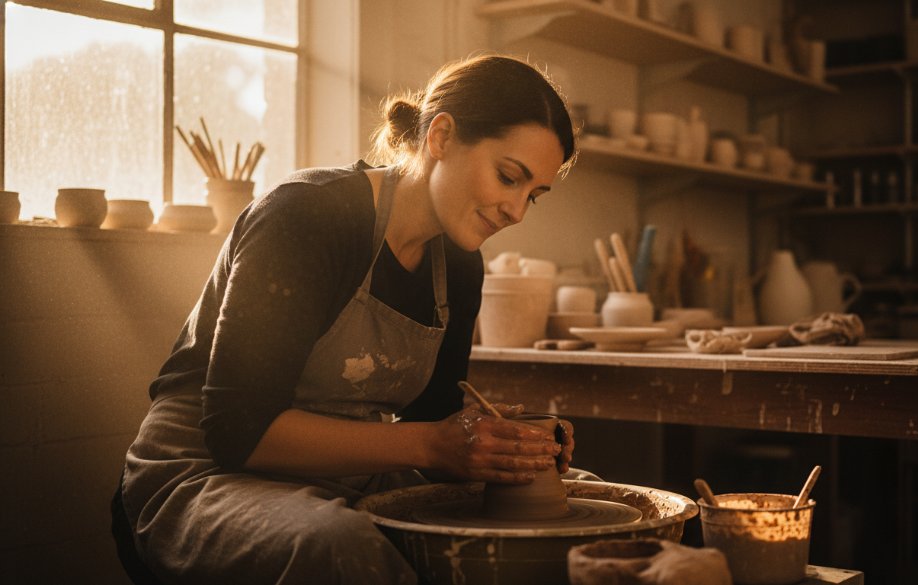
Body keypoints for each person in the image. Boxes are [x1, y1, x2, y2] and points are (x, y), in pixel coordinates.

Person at [111, 54, 579, 584]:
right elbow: (237, 431)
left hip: (351, 475)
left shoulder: (462, 264)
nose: (516, 211)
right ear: (442, 136)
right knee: (340, 548)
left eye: (532, 196)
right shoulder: (308, 214)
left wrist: (504, 445)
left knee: (578, 505)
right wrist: (436, 443)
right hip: (204, 474)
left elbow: (435, 415)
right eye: (508, 177)